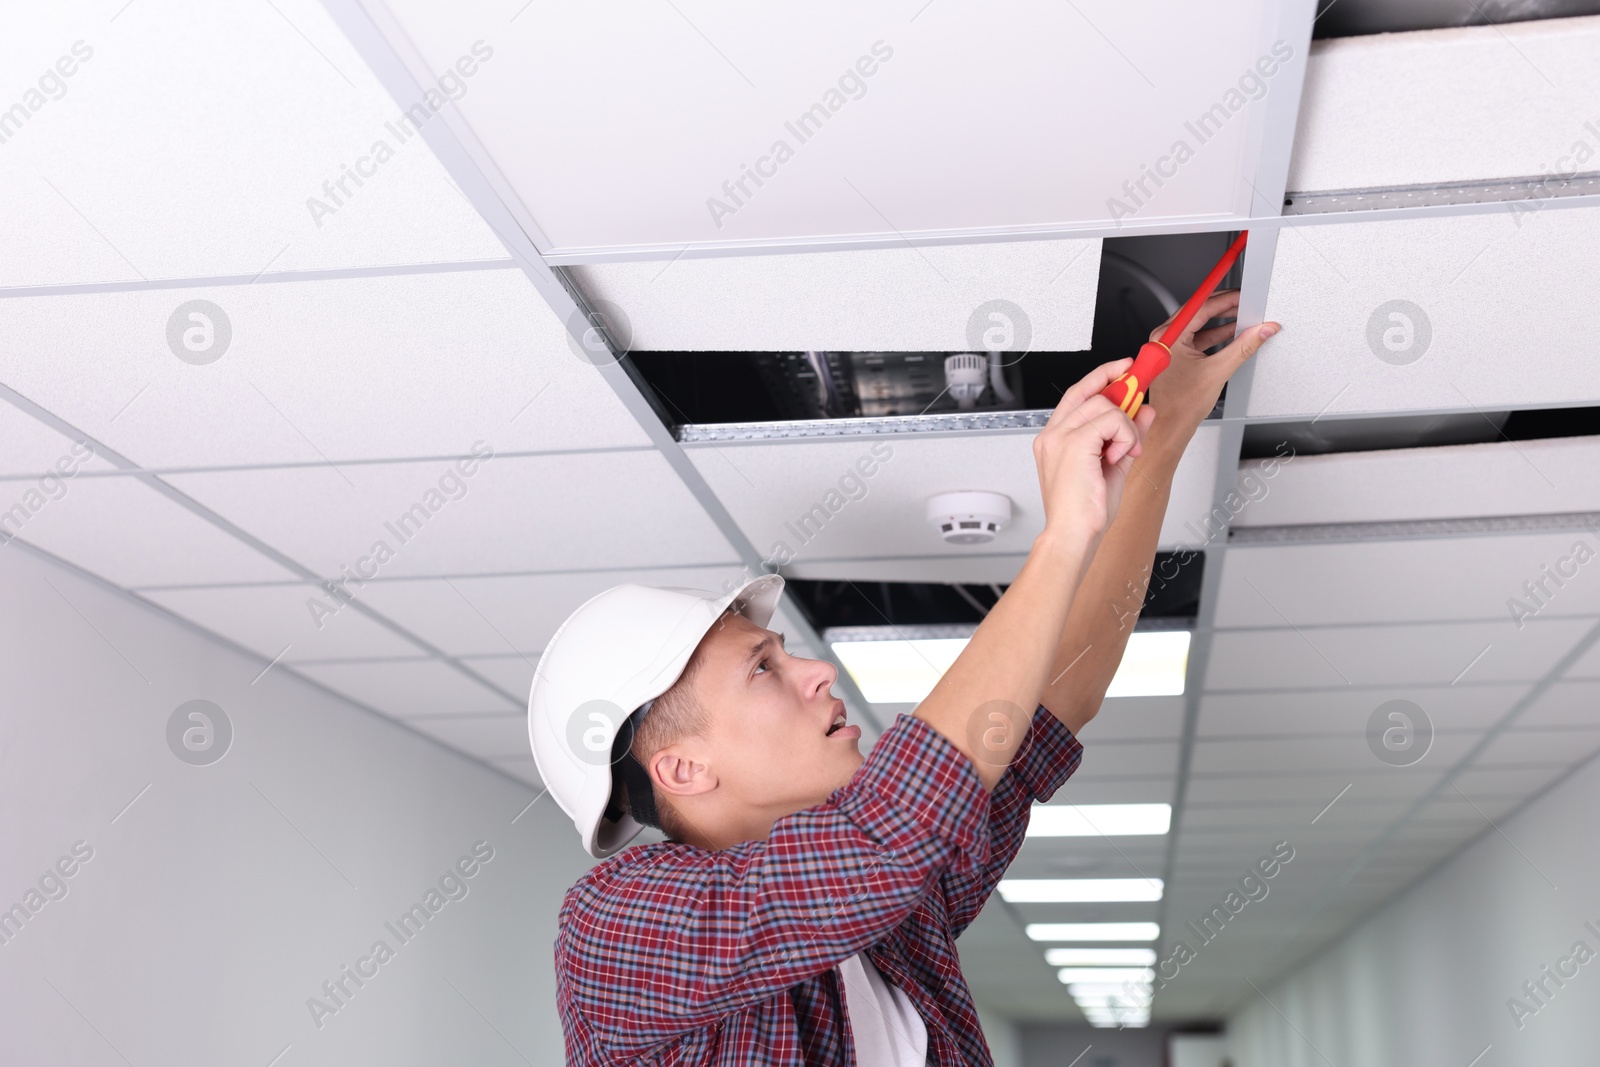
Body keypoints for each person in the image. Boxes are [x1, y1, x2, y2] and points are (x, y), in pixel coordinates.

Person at [528, 292, 1278, 1065]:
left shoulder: (894, 918)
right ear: (682, 767)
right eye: (763, 669)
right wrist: (1060, 533)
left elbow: (1048, 706)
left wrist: (1162, 436)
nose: (817, 671)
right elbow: (884, 832)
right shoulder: (615, 931)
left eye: (783, 654)